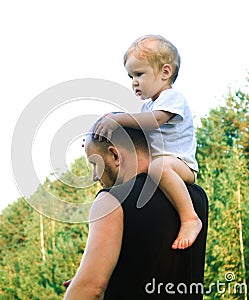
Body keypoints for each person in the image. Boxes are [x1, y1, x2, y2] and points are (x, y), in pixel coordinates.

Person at [63, 121, 208, 299]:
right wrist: (99, 275)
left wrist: (85, 286)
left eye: (95, 164)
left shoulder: (111, 200)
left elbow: (91, 289)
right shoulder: (195, 197)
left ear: (115, 155)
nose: (94, 176)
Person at [94, 34, 202, 250]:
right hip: (160, 167)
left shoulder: (172, 98)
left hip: (181, 165)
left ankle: (190, 218)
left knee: (157, 166)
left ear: (165, 72)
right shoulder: (147, 107)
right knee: (148, 171)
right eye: (130, 76)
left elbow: (155, 121)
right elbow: (137, 142)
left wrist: (118, 118)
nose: (134, 82)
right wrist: (101, 154)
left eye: (139, 74)